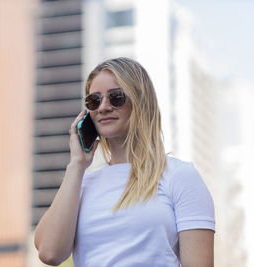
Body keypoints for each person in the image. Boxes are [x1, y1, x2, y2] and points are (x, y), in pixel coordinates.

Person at [34, 57, 215, 266]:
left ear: (140, 102)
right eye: (94, 100)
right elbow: (49, 253)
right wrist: (77, 164)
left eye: (116, 97)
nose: (103, 107)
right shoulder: (79, 184)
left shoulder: (179, 176)